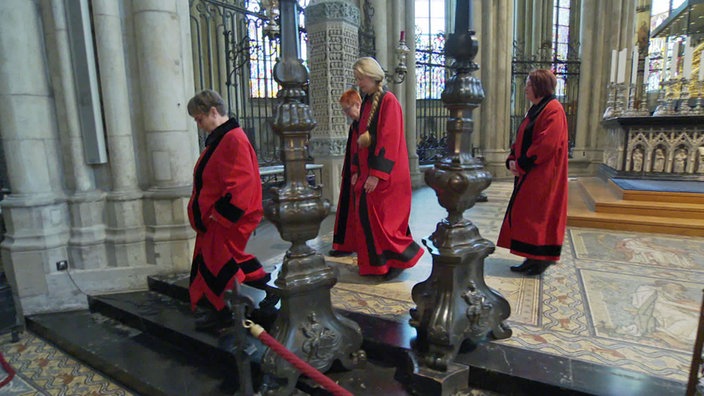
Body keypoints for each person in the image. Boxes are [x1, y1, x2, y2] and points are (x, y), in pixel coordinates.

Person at [186, 89, 277, 331]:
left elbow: (242, 184)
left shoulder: (233, 138)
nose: (199, 124)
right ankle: (267, 294)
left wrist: (219, 216)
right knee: (230, 259)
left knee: (219, 263)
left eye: (199, 118)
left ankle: (224, 312)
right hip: (219, 219)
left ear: (213, 112)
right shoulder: (223, 138)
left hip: (228, 219)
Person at [349, 57, 424, 280]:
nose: (359, 83)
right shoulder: (368, 101)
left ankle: (396, 262)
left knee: (385, 224)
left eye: (361, 78)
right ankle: (376, 265)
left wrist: (376, 175)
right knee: (369, 220)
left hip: (386, 176)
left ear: (372, 76)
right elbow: (358, 139)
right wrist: (356, 170)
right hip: (367, 173)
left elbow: (388, 140)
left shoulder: (388, 101)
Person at [498, 69, 568, 276]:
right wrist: (512, 158)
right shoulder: (537, 108)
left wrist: (522, 163)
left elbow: (547, 144)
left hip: (544, 175)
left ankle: (541, 259)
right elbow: (521, 137)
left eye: (528, 84)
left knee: (539, 215)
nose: (525, 88)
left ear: (539, 86)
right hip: (531, 173)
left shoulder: (553, 109)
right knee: (527, 214)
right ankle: (530, 256)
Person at [329, 89, 363, 257]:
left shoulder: (365, 123)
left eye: (347, 109)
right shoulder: (355, 124)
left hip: (360, 173)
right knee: (347, 210)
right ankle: (345, 245)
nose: (346, 113)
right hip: (351, 172)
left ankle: (354, 245)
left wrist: (357, 170)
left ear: (357, 104)